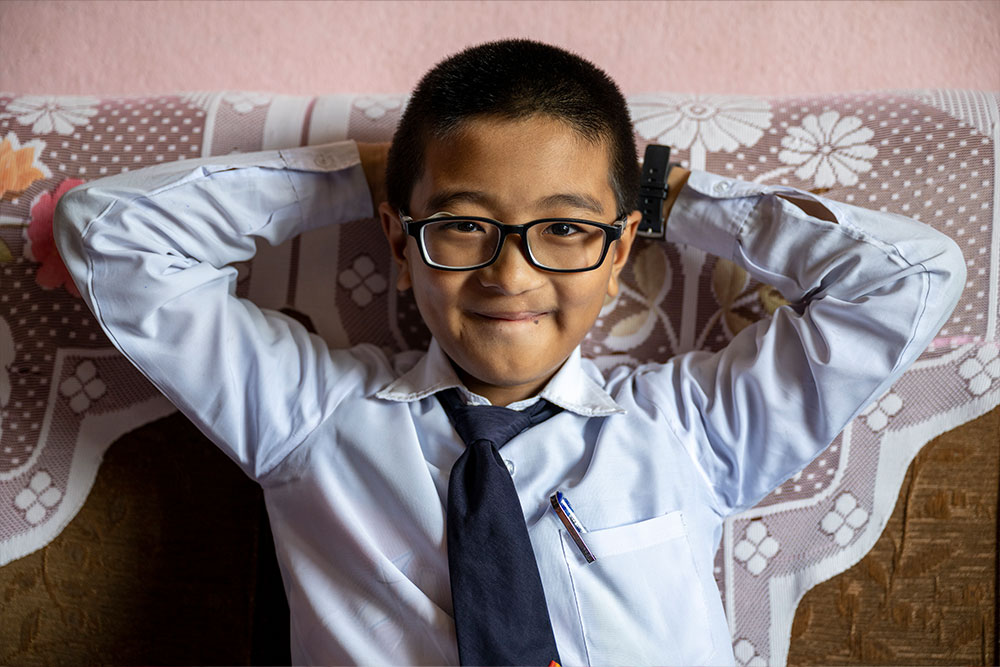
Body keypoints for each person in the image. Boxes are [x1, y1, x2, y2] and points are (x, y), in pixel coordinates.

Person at [54, 39, 964, 666]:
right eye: (464, 226)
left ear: (619, 252)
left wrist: (672, 197)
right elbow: (112, 239)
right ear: (400, 242)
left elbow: (909, 279)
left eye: (564, 229)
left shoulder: (690, 433)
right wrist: (375, 173)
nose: (510, 272)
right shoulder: (308, 419)